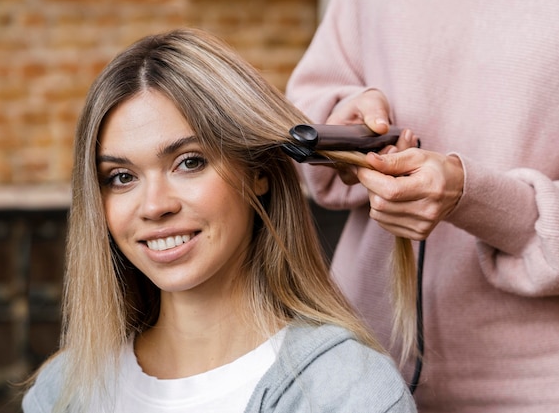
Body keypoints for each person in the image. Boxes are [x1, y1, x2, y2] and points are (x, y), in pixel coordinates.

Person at [21, 28, 417, 413]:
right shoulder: (62, 390)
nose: (154, 206)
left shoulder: (347, 393)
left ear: (258, 171)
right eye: (121, 177)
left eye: (189, 162)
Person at [286, 0, 559, 412]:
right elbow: (310, 100)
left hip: (541, 389)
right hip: (358, 369)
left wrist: (472, 196)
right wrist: (344, 124)